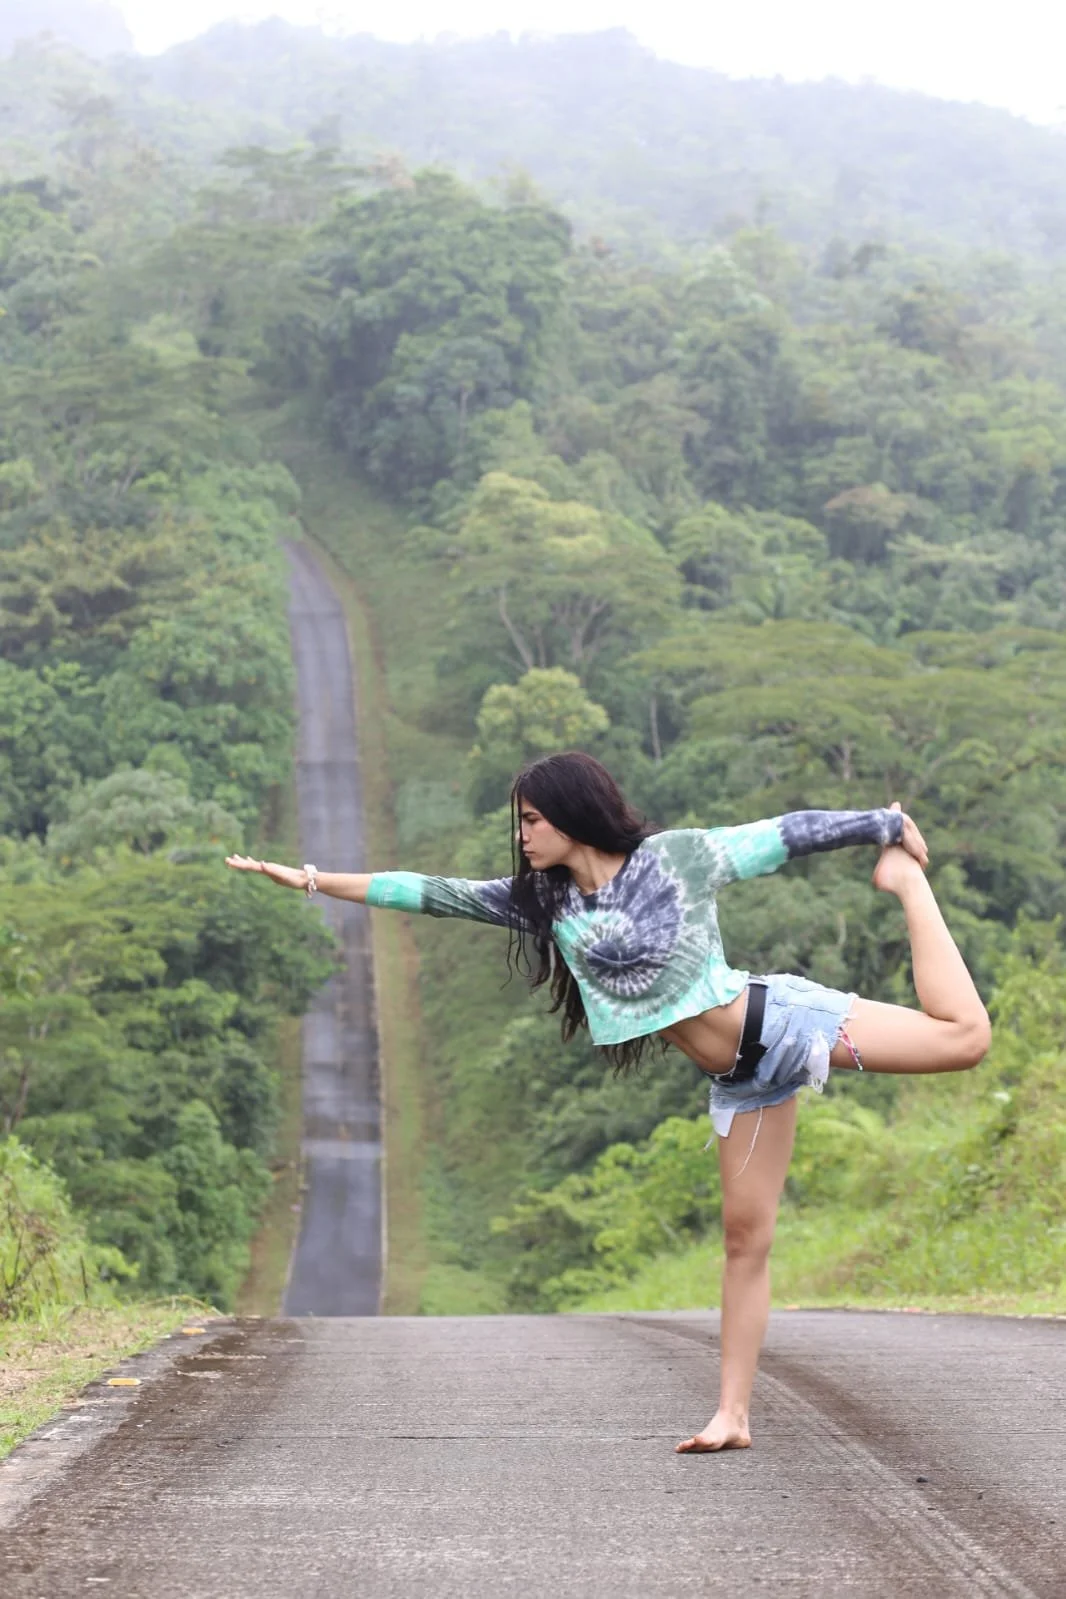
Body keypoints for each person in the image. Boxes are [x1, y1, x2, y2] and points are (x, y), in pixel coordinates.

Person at [226, 750, 990, 1454]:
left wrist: (884, 826)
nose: (521, 835)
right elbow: (431, 893)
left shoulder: (677, 858)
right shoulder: (548, 903)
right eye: (520, 821)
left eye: (532, 819)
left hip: (784, 1024)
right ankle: (732, 1414)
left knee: (964, 1038)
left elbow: (785, 833)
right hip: (741, 1080)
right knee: (744, 1241)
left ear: (570, 813)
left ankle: (907, 884)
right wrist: (313, 879)